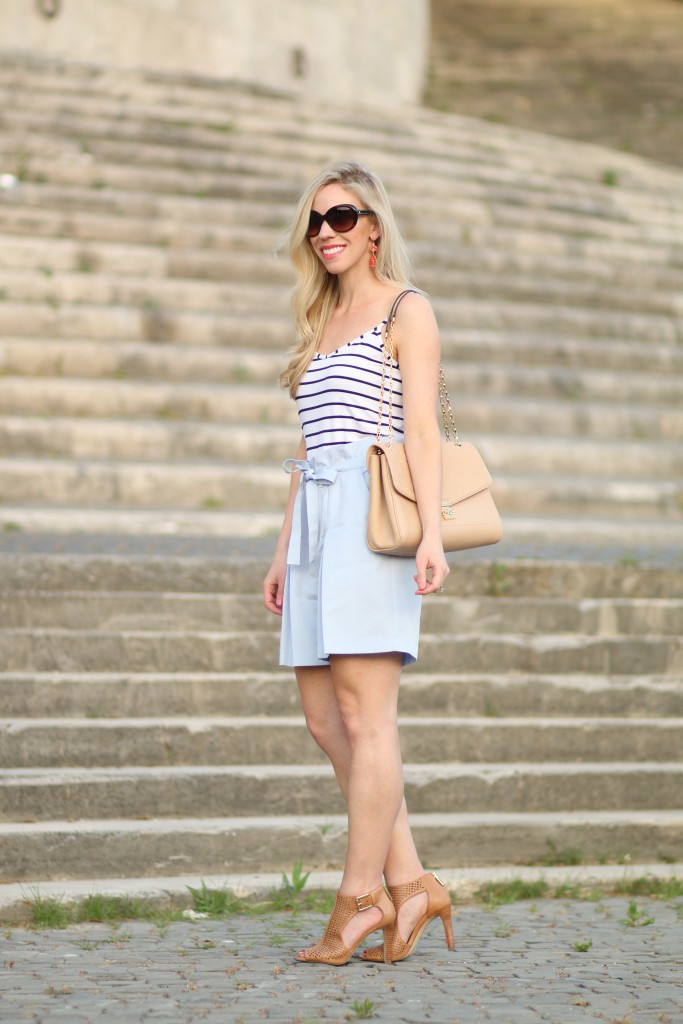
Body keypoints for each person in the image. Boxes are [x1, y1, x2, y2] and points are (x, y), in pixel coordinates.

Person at [263, 161, 454, 966]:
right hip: (313, 520)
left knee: (367, 716)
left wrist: (432, 534)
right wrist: (280, 551)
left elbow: (420, 432)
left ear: (374, 226)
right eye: (315, 222)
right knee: (322, 719)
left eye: (341, 216)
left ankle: (357, 900)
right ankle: (410, 882)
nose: (327, 232)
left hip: (371, 519)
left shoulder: (406, 310)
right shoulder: (321, 318)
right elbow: (306, 450)